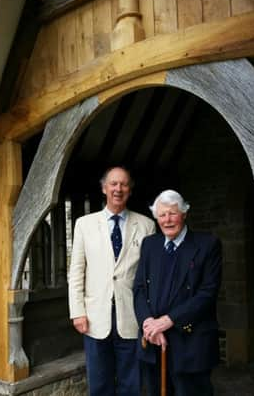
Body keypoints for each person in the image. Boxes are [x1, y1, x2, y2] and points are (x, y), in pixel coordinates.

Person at [68, 166, 155, 396]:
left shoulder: (146, 226)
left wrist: (150, 317)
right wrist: (77, 311)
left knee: (131, 383)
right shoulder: (84, 225)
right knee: (99, 384)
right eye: (114, 184)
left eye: (124, 184)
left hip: (132, 317)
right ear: (104, 188)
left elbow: (150, 278)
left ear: (130, 190)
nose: (119, 188)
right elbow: (76, 272)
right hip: (95, 318)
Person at [133, 189, 222, 396]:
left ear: (184, 214)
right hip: (154, 343)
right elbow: (139, 288)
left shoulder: (207, 245)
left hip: (191, 346)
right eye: (162, 215)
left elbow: (207, 294)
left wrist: (167, 320)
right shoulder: (150, 245)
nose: (167, 220)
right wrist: (148, 323)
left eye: (172, 213)